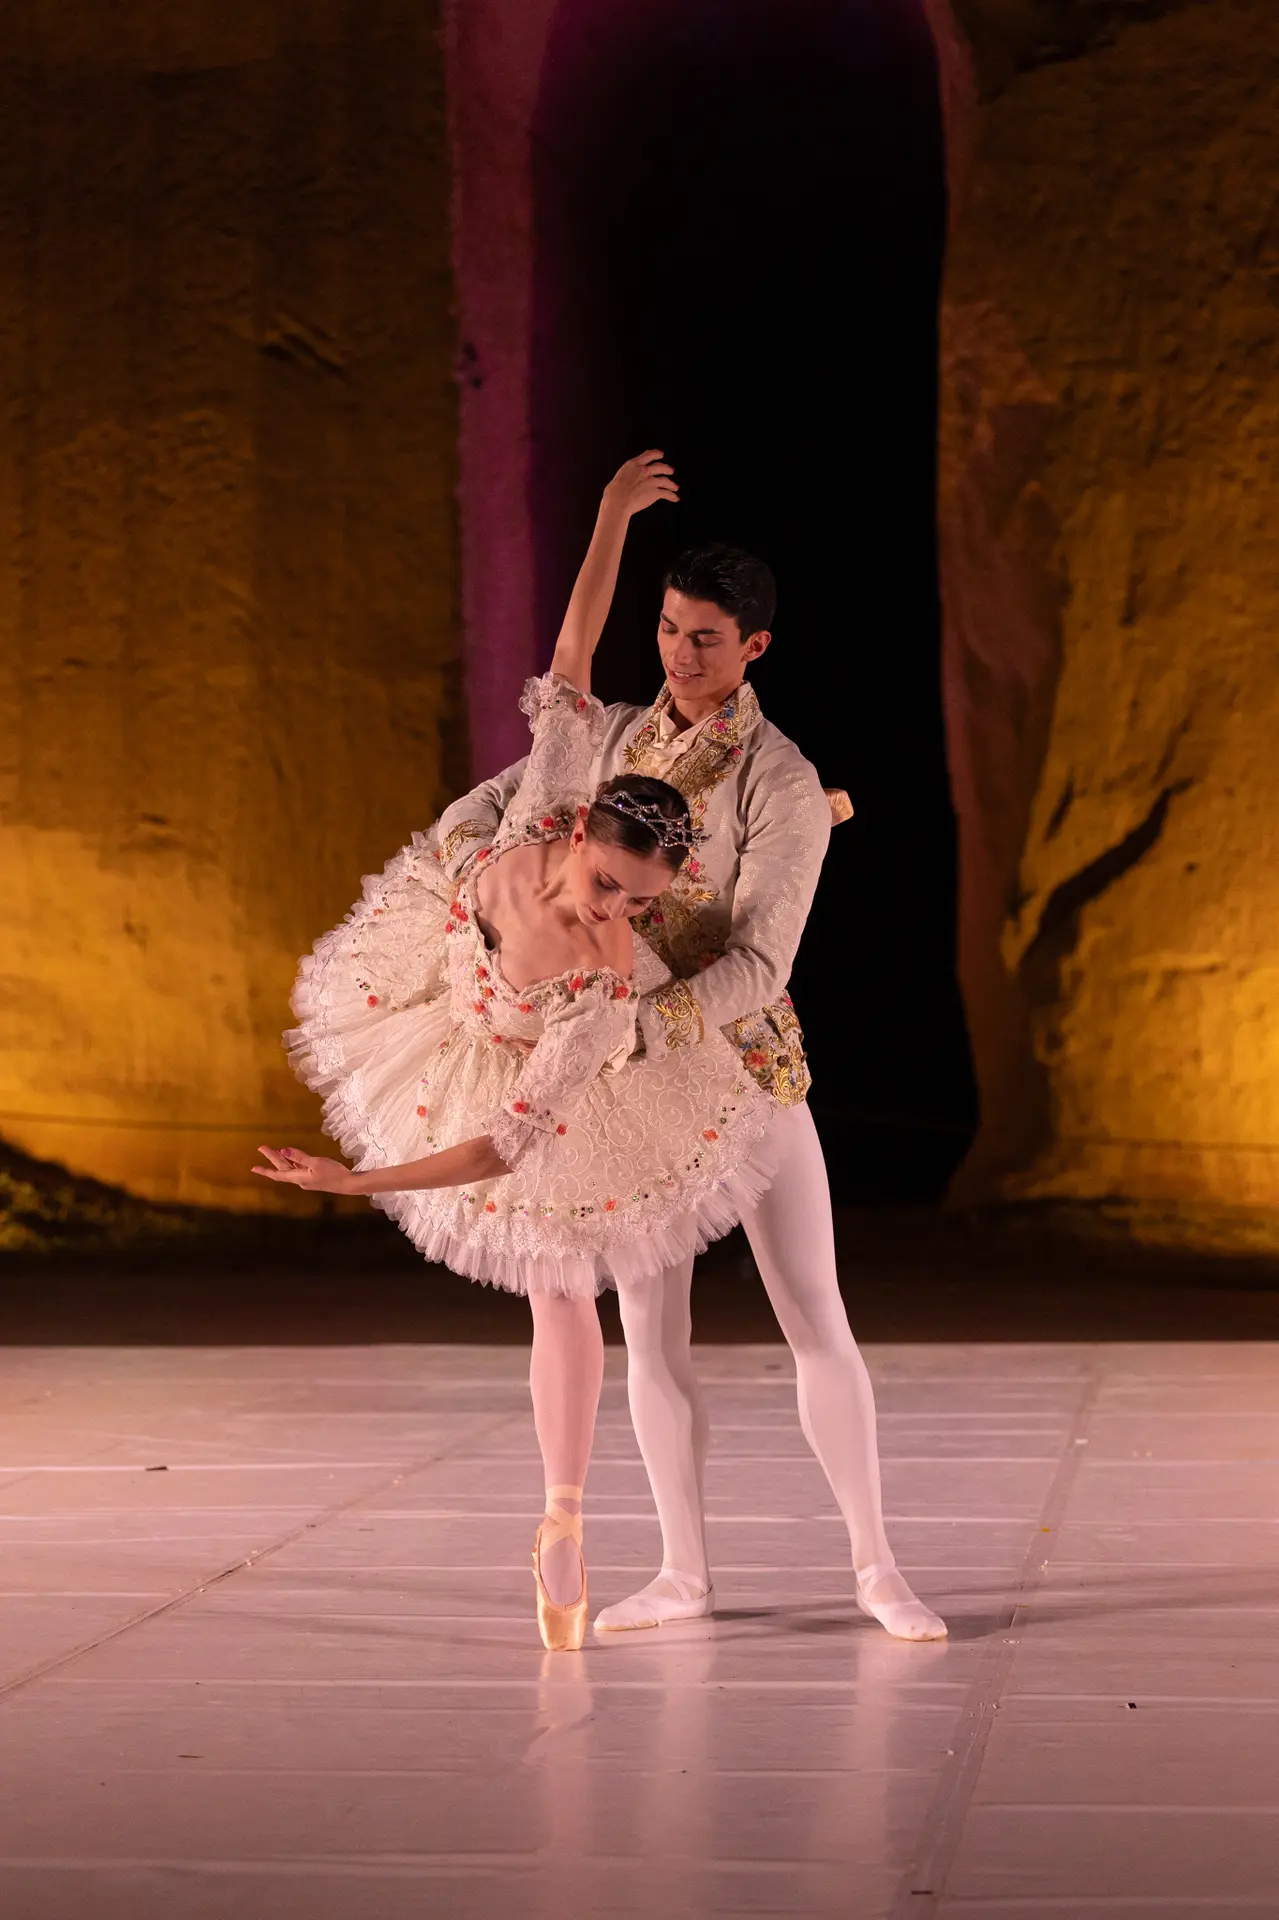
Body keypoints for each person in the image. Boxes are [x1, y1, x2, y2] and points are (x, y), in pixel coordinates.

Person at [253, 453, 782, 1654]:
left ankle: (562, 1516)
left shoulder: (602, 989)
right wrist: (605, 517)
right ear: (581, 827)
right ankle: (563, 1512)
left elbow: (499, 1146)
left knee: (559, 1285)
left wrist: (357, 1184)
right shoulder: (550, 788)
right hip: (445, 998)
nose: (613, 919)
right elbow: (577, 640)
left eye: (638, 908)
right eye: (607, 888)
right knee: (551, 1284)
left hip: (523, 1068)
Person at [434, 454, 947, 1641]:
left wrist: (632, 1016)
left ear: (755, 648)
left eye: (706, 639)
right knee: (650, 1334)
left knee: (812, 1314)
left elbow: (762, 966)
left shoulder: (779, 777)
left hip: (743, 1066)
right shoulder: (609, 736)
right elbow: (493, 808)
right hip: (630, 1096)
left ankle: (876, 1564)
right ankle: (683, 1571)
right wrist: (478, 870)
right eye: (668, 630)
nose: (679, 654)